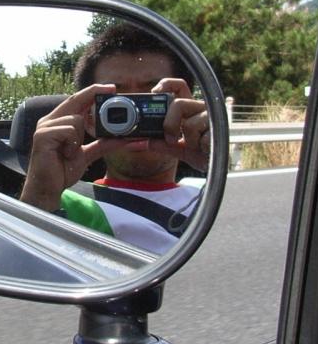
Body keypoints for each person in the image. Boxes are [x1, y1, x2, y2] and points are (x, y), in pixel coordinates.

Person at [20, 22, 211, 254]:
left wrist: (214, 162)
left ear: (185, 106)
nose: (134, 115)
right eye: (116, 107)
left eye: (153, 101)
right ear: (89, 119)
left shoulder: (209, 196)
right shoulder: (66, 203)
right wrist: (41, 195)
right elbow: (25, 267)